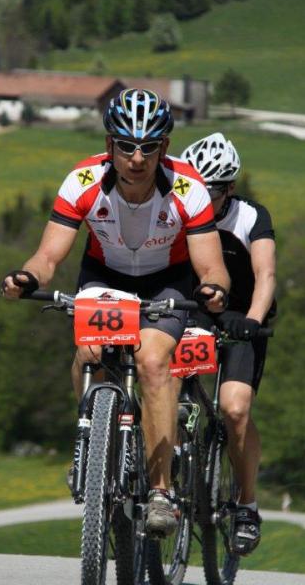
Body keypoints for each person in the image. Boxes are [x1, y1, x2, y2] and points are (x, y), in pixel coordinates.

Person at [2, 89, 230, 537]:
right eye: (126, 146)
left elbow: (211, 265)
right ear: (110, 144)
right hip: (104, 274)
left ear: (164, 146)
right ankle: (94, 445)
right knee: (90, 353)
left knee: (152, 361)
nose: (137, 158)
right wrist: (26, 277)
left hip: (167, 279)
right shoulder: (83, 181)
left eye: (149, 147)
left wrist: (215, 289)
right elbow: (47, 256)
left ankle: (161, 491)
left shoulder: (188, 188)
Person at [181, 132, 276, 555]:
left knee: (235, 410)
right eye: (194, 191)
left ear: (230, 188)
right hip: (194, 312)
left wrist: (253, 321)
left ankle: (246, 506)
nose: (200, 201)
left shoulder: (250, 216)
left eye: (211, 193)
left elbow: (266, 274)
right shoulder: (177, 211)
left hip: (242, 317)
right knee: (164, 386)